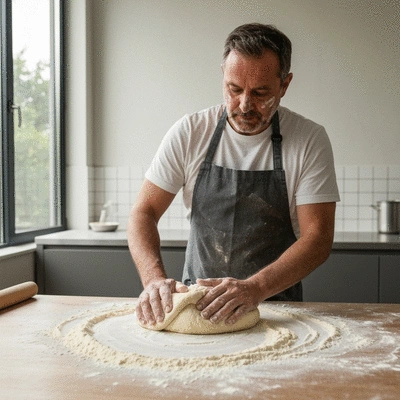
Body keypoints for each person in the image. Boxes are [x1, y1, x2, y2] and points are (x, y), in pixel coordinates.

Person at [127, 23, 340, 328]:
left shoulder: (308, 140)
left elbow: (318, 238)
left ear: (284, 85)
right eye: (234, 89)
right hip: (196, 306)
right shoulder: (191, 132)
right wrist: (154, 280)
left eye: (260, 92)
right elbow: (143, 212)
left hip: (277, 311)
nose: (244, 105)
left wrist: (256, 288)